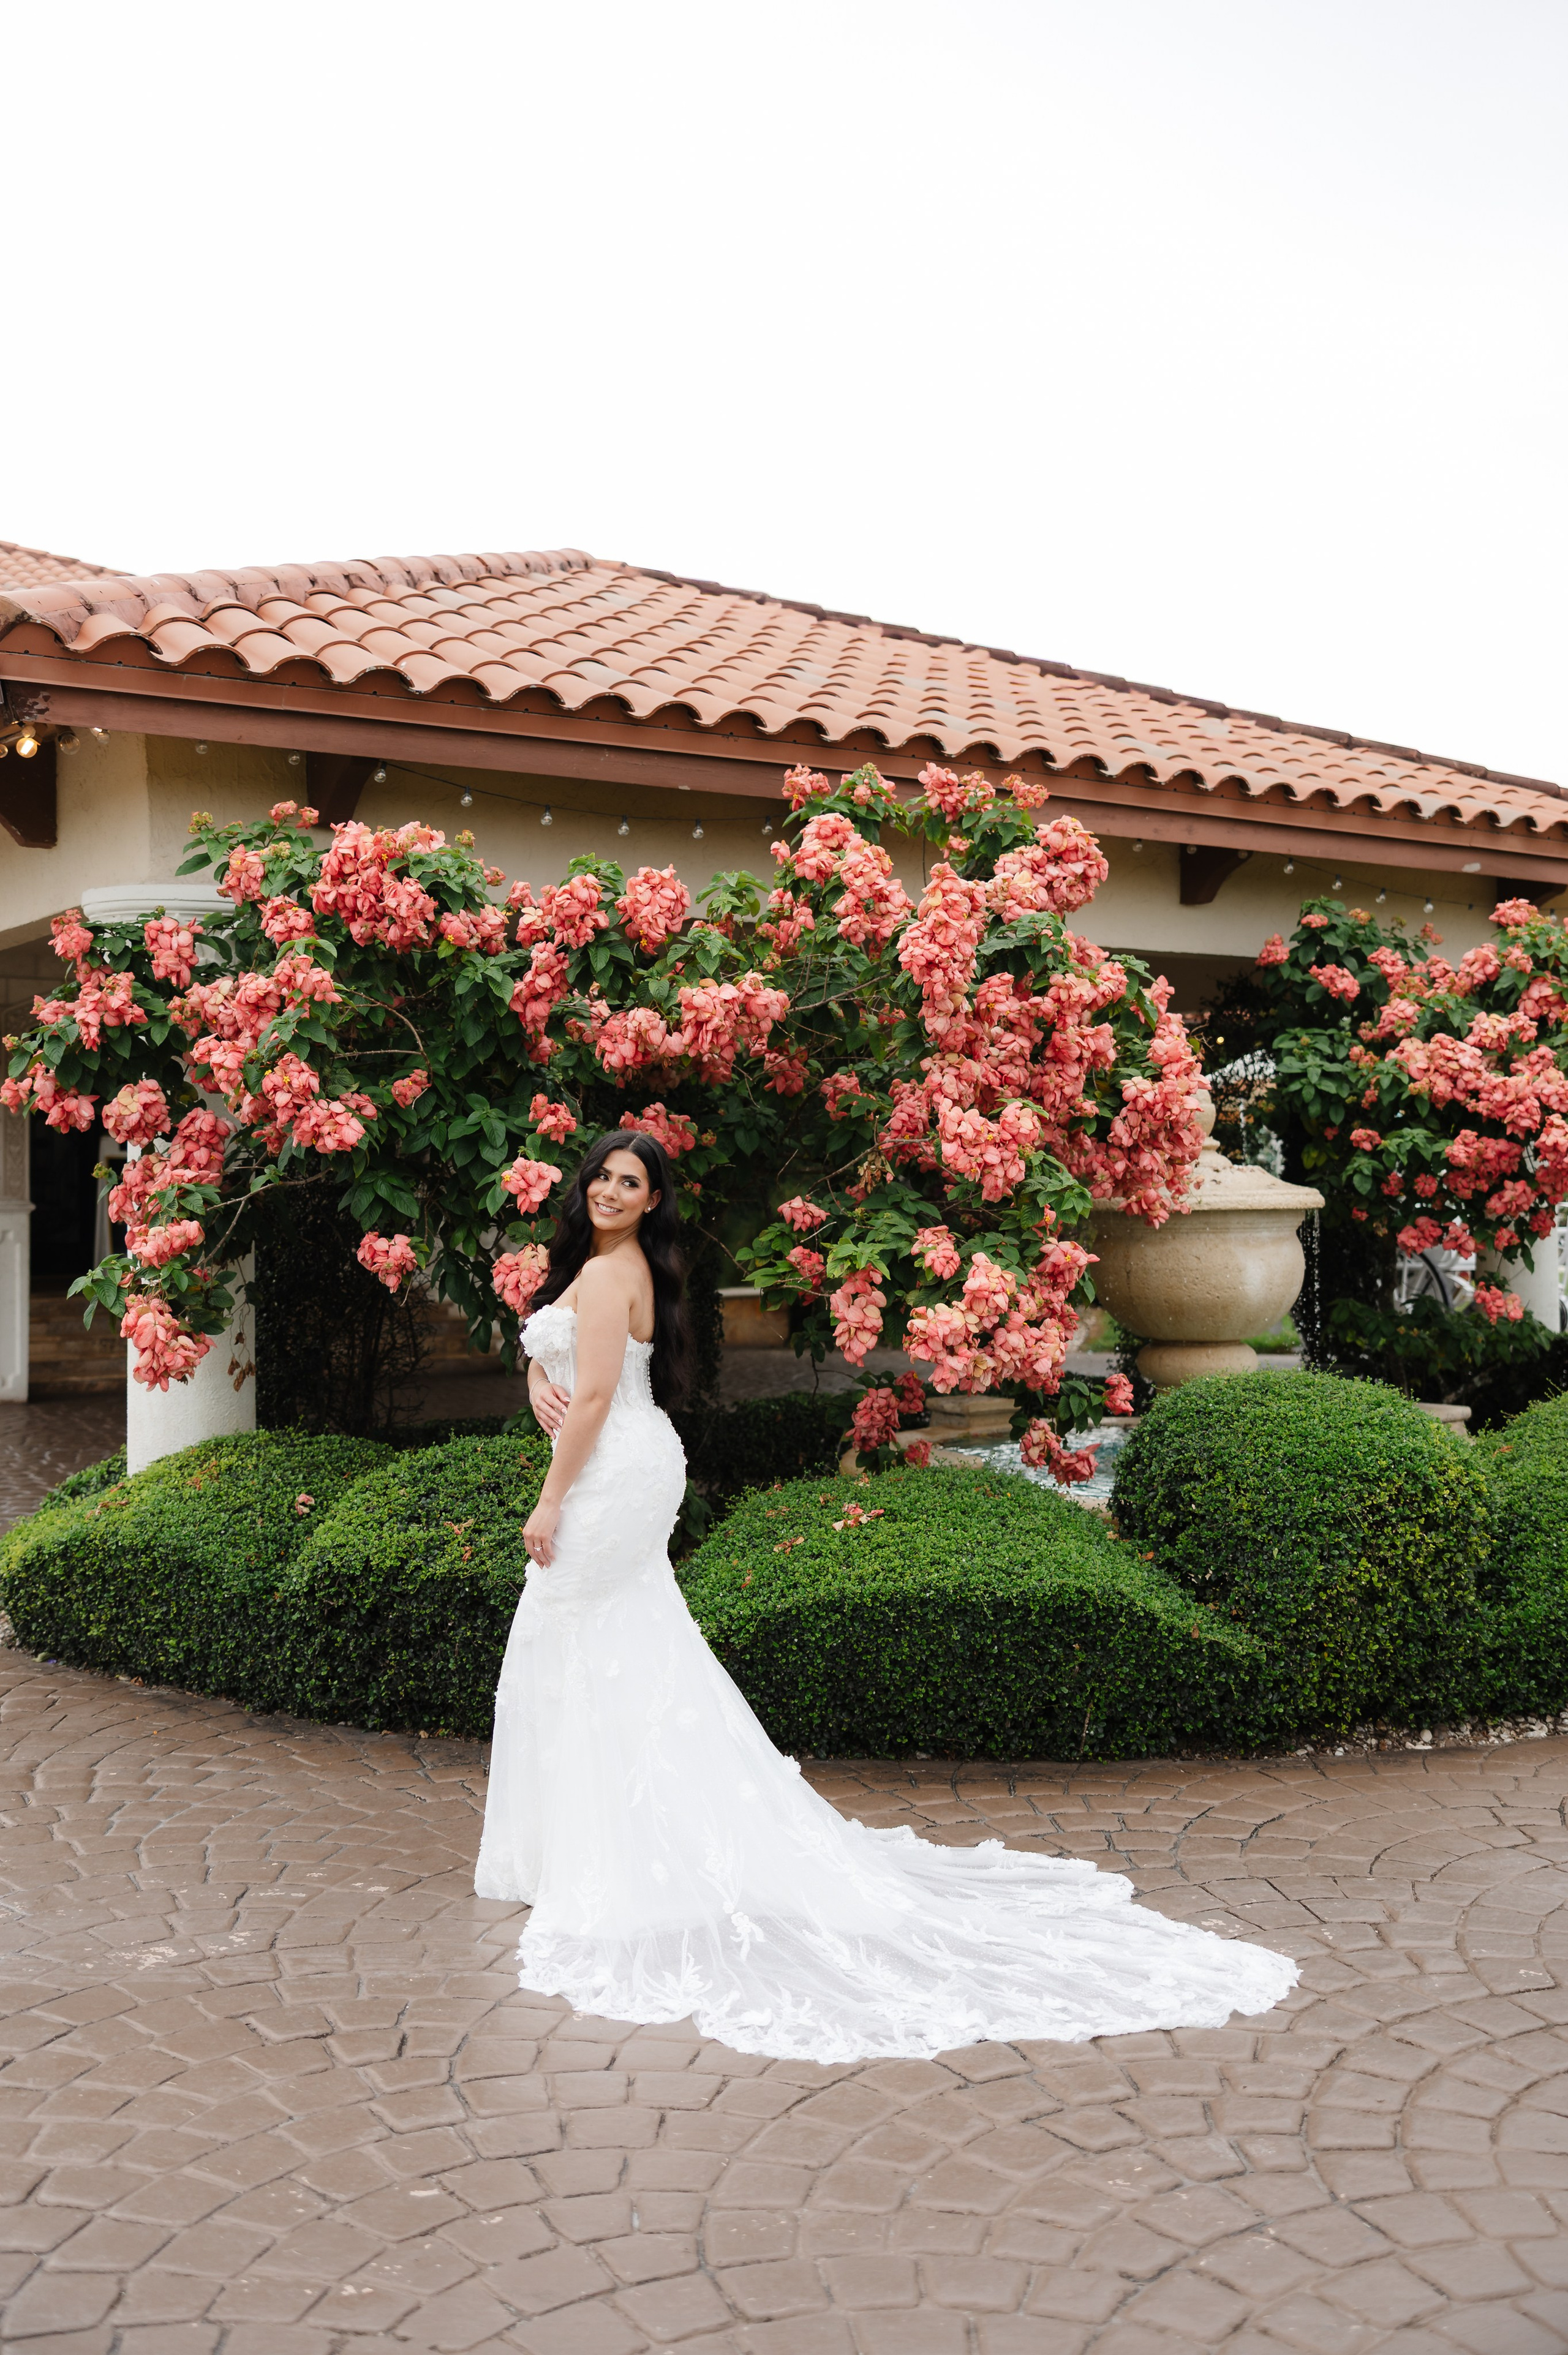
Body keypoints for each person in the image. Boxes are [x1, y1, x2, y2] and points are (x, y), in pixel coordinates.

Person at [474, 1129, 1299, 2062]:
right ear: (584, 1185)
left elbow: (590, 1404)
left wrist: (549, 1500)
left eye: (634, 1182)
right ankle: (594, 1839)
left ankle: (624, 1850)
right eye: (605, 1176)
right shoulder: (599, 1266)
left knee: (582, 1638)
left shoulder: (616, 1270)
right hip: (629, 1459)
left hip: (607, 1471)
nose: (615, 1191)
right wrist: (540, 1369)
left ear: (653, 1200)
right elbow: (568, 1368)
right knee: (617, 1642)